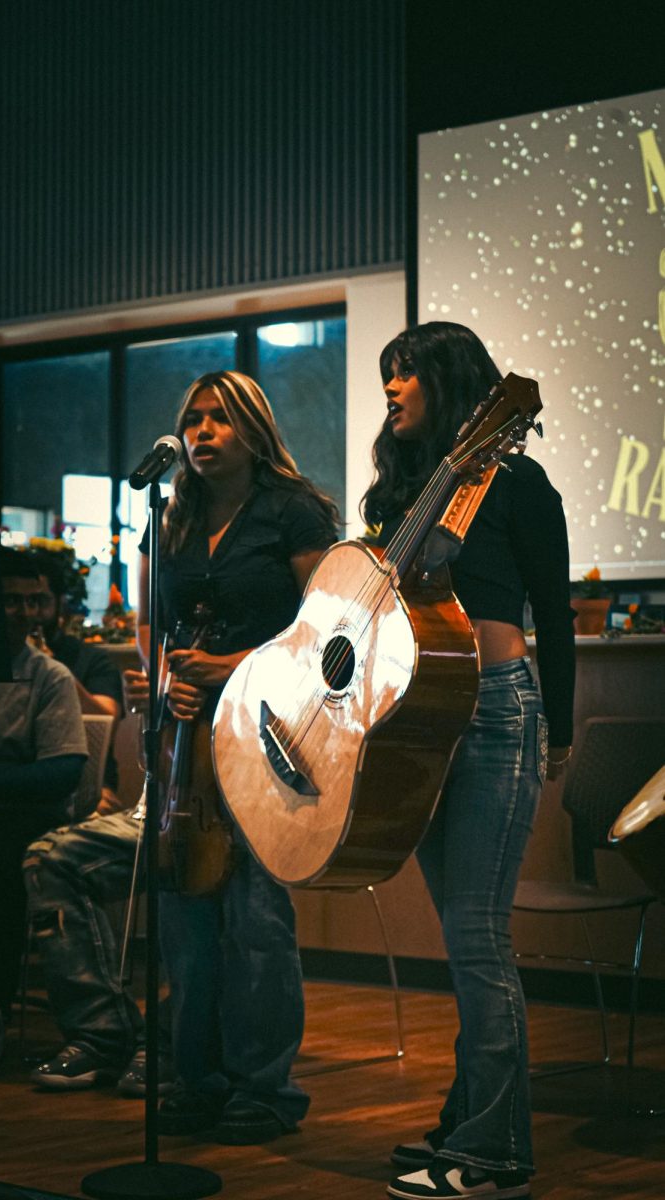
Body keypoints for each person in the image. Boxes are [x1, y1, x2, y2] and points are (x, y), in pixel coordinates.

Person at [360, 323, 575, 1200]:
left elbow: (554, 616)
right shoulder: (398, 497)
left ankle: (495, 1152)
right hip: (417, 721)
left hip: (496, 712)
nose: (391, 388)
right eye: (386, 376)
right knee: (463, 938)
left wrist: (556, 733)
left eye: (403, 373)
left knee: (478, 937)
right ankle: (467, 1118)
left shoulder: (517, 481)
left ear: (451, 383)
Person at [135, 369, 338, 1144]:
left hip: (270, 733)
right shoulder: (173, 517)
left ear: (254, 431)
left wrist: (230, 669)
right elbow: (154, 627)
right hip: (186, 741)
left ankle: (264, 1088)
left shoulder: (293, 512)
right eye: (192, 420)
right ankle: (198, 1076)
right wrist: (170, 682)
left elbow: (326, 631)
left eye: (220, 419)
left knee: (255, 915)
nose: (202, 433)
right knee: (186, 910)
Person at [23, 667, 174, 1096]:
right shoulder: (171, 636)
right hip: (159, 804)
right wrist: (154, 695)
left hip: (226, 812)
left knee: (194, 859)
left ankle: (174, 1039)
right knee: (48, 858)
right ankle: (102, 1033)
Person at [0, 549, 87, 1079]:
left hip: (28, 820)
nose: (25, 614)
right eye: (10, 601)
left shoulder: (49, 676)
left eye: (34, 601)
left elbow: (63, 772)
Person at [28, 548, 124, 813]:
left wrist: (52, 669)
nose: (31, 613)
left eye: (40, 601)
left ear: (60, 603)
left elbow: (108, 719)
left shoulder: (90, 659)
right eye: (19, 602)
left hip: (89, 786)